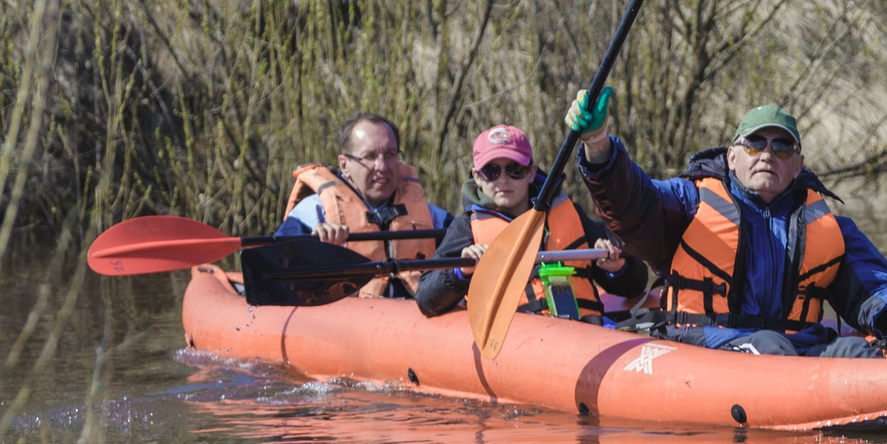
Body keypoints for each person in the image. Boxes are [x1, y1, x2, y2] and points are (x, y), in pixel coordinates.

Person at [566, 93, 887, 358]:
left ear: (798, 164)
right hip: (700, 342)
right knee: (770, 346)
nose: (768, 154)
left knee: (858, 352)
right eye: (756, 144)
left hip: (795, 344)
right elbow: (631, 203)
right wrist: (599, 146)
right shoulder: (688, 200)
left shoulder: (825, 223)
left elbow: (872, 282)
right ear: (733, 156)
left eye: (781, 147)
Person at [416, 125, 648, 322]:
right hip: (518, 349)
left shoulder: (568, 212)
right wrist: (462, 271)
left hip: (582, 339)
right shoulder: (466, 227)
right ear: (477, 177)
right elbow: (426, 299)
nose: (503, 179)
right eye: (491, 171)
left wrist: (619, 269)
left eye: (515, 169)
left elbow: (634, 283)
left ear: (531, 172)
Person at [275, 113, 449, 300]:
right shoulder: (311, 213)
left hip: (412, 319)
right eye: (370, 156)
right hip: (348, 320)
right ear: (344, 164)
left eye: (390, 155)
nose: (382, 166)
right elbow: (278, 274)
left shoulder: (433, 217)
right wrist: (314, 249)